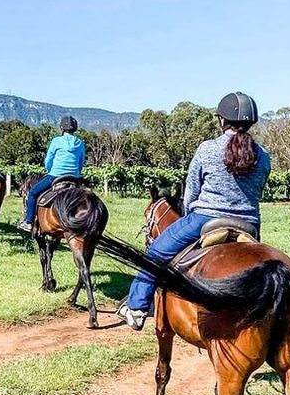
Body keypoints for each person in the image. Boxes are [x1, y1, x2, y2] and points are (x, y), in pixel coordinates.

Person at [116, 92, 271, 330]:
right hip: (249, 224)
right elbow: (258, 190)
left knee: (155, 254)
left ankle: (136, 308)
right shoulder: (263, 156)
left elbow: (191, 193)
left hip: (205, 218)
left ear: (222, 120)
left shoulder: (207, 149)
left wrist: (189, 212)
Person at [17, 116, 85, 233]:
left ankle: (28, 222)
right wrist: (76, 172)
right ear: (75, 129)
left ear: (62, 128)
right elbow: (81, 161)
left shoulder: (56, 141)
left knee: (33, 192)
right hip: (74, 178)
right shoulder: (80, 143)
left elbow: (48, 160)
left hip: (55, 175)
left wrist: (50, 169)